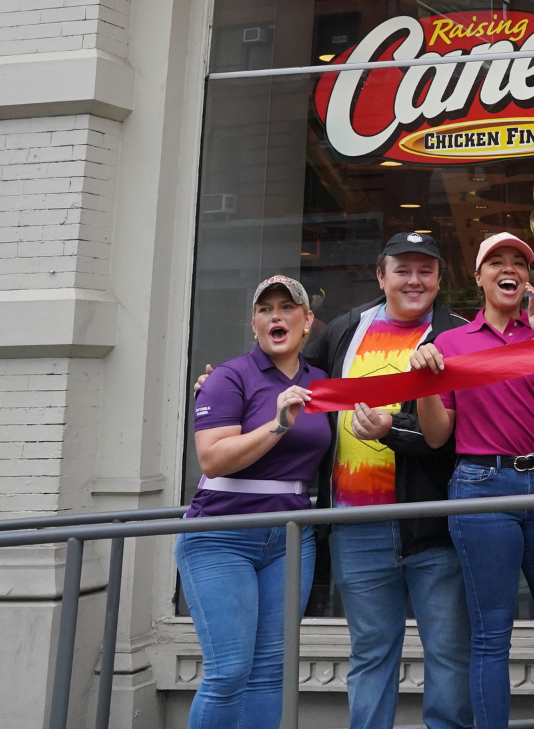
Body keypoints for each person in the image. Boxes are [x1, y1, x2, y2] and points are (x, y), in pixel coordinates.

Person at [408, 232, 534, 729]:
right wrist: (427, 384)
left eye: (519, 263)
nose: (509, 270)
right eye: (497, 262)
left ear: (529, 279)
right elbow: (437, 434)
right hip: (481, 490)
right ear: (479, 276)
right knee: (491, 635)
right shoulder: (448, 344)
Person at [305, 231, 473, 729]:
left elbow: (460, 432)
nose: (414, 280)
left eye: (426, 270)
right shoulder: (344, 328)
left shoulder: (456, 335)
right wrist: (228, 385)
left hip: (431, 527)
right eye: (403, 270)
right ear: (381, 276)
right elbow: (296, 380)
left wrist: (392, 431)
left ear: (441, 278)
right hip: (356, 526)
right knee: (371, 656)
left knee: (448, 655)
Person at [179, 276, 332, 729]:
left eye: (288, 307)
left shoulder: (320, 382)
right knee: (228, 673)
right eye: (266, 309)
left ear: (307, 322)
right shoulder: (228, 376)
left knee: (270, 675)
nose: (276, 316)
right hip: (220, 536)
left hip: (289, 539)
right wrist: (277, 424)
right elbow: (212, 458)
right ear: (254, 324)